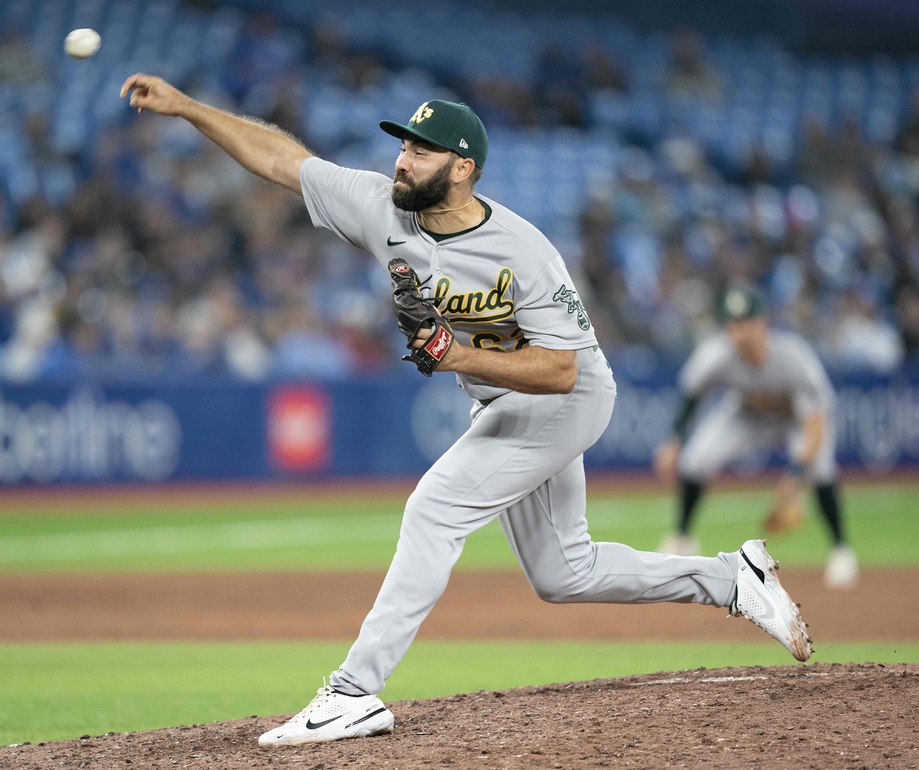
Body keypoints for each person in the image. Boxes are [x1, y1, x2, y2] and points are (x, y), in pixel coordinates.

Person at [120, 74, 813, 748]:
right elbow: (282, 159)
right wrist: (187, 108)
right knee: (563, 574)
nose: (402, 159)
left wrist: (455, 354)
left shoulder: (523, 250)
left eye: (421, 151)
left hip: (568, 398)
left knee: (434, 508)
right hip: (506, 403)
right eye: (402, 145)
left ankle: (354, 692)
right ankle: (731, 578)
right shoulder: (381, 208)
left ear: (462, 169)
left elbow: (562, 369)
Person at [654, 284, 858, 590]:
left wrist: (795, 476)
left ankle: (841, 550)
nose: (739, 332)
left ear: (763, 322)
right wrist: (674, 439)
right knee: (695, 460)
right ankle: (682, 538)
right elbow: (692, 393)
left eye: (746, 322)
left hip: (794, 420)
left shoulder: (792, 356)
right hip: (747, 415)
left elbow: (816, 423)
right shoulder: (717, 353)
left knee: (820, 467)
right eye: (733, 324)